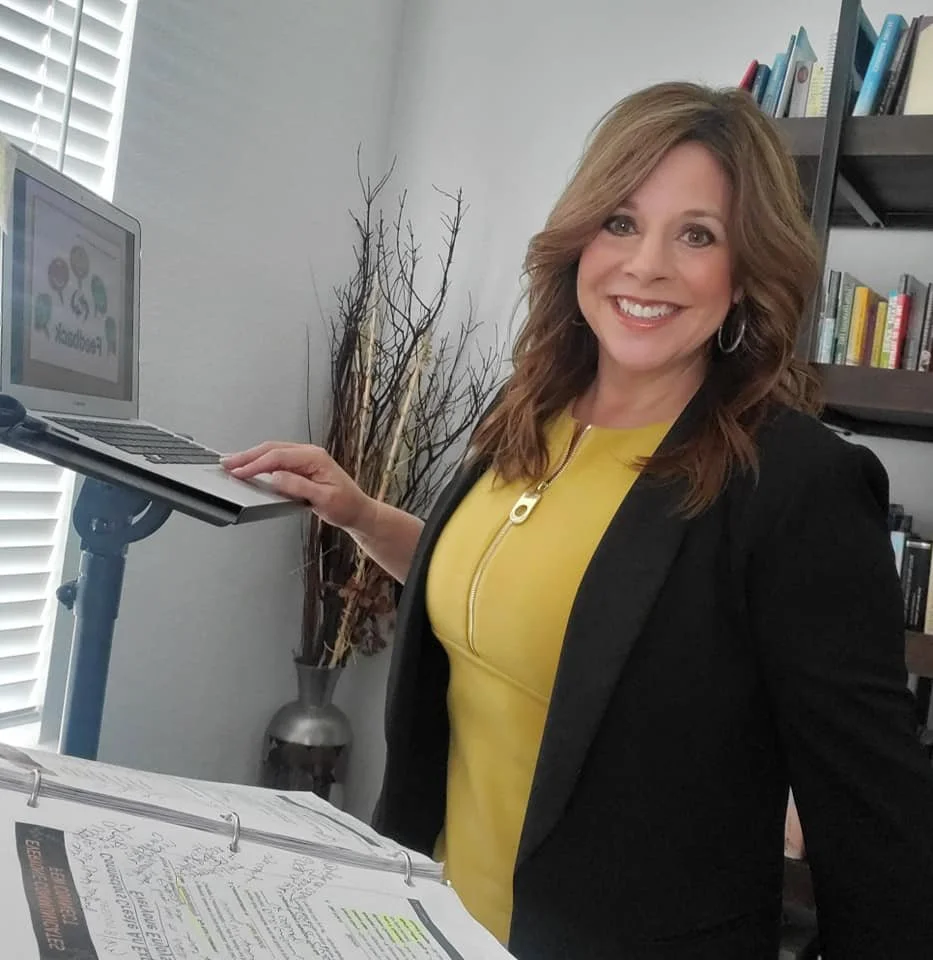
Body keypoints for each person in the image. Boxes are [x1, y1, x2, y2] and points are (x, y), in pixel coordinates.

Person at [223, 81, 933, 958]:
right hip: (426, 921)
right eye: (622, 222)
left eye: (697, 235)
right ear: (578, 238)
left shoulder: (795, 484)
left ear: (746, 271)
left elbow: (876, 830)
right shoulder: (527, 413)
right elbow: (527, 603)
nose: (646, 267)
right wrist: (363, 513)